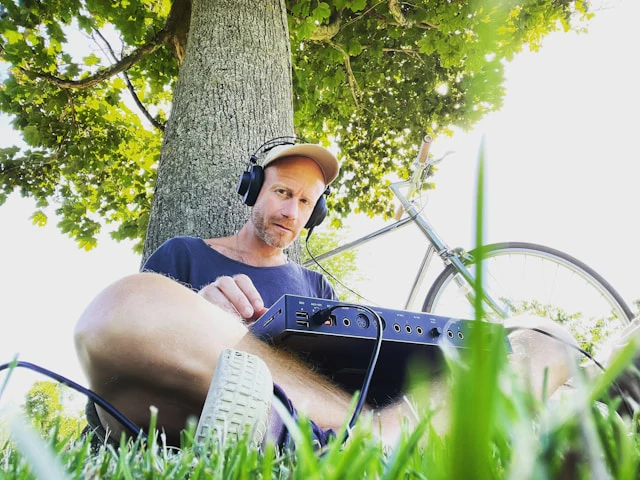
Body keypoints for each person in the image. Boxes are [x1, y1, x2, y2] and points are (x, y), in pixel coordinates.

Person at [74, 141, 580, 451]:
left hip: (328, 416)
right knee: (129, 303)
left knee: (546, 340)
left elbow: (340, 378)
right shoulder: (185, 252)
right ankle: (387, 439)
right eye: (282, 192)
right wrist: (201, 311)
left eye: (305, 202)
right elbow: (128, 350)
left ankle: (370, 439)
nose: (291, 212)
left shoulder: (316, 288)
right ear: (253, 190)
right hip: (189, 402)